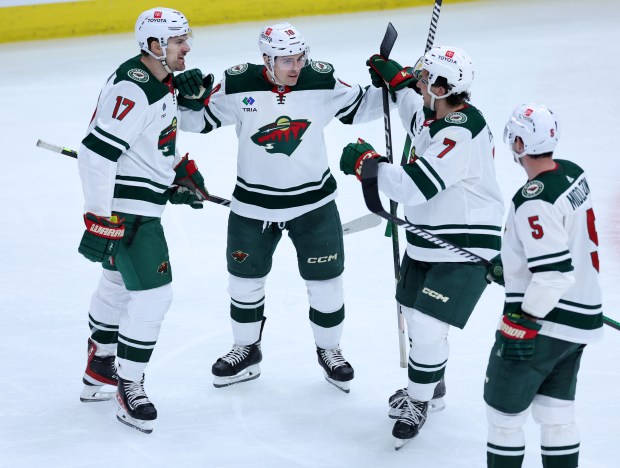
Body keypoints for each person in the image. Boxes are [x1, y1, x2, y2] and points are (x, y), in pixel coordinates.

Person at [174, 22, 385, 393]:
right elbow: (195, 121)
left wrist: (393, 85)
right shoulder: (237, 84)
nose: (295, 66)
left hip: (313, 204)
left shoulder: (321, 81)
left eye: (300, 57)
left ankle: (330, 350)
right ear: (266, 59)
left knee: (326, 285)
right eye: (286, 60)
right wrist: (185, 98)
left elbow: (365, 105)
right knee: (243, 284)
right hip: (253, 206)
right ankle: (246, 349)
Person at [339, 46, 504, 448]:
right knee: (415, 319)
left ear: (445, 87)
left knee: (428, 327)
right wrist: (397, 82)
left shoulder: (460, 130)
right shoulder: (437, 112)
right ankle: (433, 382)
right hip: (427, 240)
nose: (419, 78)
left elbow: (414, 187)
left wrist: (370, 165)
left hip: (463, 246)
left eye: (426, 77)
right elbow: (413, 109)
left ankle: (419, 401)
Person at [77, 7, 209, 434]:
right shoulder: (135, 89)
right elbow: (96, 153)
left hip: (142, 203)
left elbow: (151, 143)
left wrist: (176, 173)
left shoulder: (160, 82)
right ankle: (128, 385)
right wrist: (100, 218)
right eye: (177, 42)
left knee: (118, 285)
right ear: (154, 46)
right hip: (128, 212)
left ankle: (101, 365)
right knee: (155, 296)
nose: (186, 47)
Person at [483, 103, 603, 467]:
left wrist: (523, 320)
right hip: (577, 323)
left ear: (519, 142)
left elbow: (553, 273)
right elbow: (560, 244)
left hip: (542, 326)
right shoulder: (572, 174)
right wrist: (516, 268)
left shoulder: (533, 200)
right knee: (557, 417)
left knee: (502, 422)